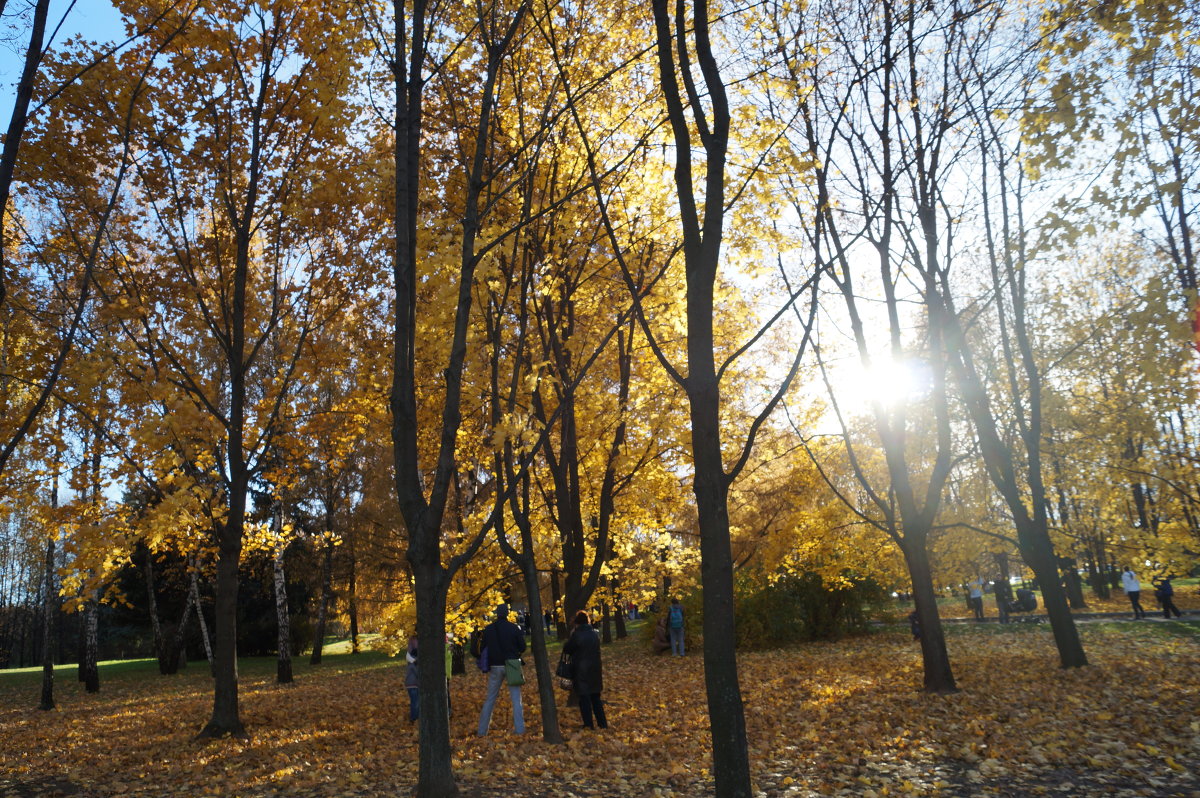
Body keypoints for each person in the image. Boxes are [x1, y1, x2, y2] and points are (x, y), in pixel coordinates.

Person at [476, 604, 526, 736]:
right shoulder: (513, 628)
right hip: (512, 665)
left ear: (497, 614)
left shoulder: (489, 629)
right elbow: (523, 647)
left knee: (490, 699)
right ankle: (520, 730)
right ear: (507, 613)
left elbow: (483, 649)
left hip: (494, 666)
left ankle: (482, 730)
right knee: (516, 699)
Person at [562, 610, 608, 730]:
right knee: (596, 698)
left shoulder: (576, 635)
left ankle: (588, 724)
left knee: (584, 699)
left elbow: (567, 649)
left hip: (581, 670)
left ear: (577, 623)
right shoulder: (594, 634)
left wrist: (571, 636)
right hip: (595, 669)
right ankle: (602, 723)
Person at [405, 635, 419, 723]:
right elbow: (417, 673)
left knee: (415, 701)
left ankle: (414, 717)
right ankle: (414, 718)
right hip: (413, 684)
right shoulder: (414, 664)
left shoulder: (411, 662)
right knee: (415, 702)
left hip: (410, 684)